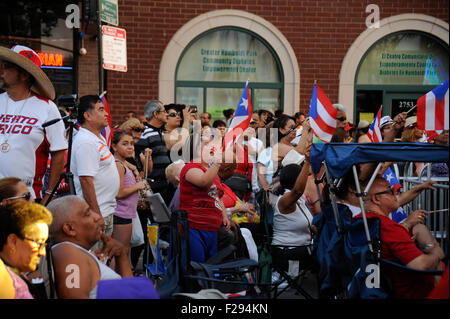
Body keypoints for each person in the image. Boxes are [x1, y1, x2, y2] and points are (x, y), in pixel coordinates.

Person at [0, 45, 67, 203]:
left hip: (26, 197)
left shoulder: (47, 107)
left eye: (7, 67)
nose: (1, 71)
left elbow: (59, 153)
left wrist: (50, 195)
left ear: (24, 75)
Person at [361, 177, 444, 299]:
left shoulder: (362, 219)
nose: (396, 193)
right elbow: (421, 265)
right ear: (376, 199)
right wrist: (436, 254)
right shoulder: (390, 228)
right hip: (413, 291)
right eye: (390, 190)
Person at [47, 196, 133, 299]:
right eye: (87, 214)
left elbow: (129, 291)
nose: (97, 217)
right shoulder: (68, 254)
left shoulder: (73, 253)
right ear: (69, 229)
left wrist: (121, 255)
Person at [71, 95, 120, 241]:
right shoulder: (86, 142)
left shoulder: (97, 137)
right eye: (101, 109)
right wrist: (96, 215)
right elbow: (86, 180)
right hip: (97, 214)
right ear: (87, 115)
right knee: (93, 259)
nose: (106, 114)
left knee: (102, 259)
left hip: (106, 210)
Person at [178, 133, 230, 263]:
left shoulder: (210, 169)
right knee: (198, 266)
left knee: (211, 266)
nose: (212, 147)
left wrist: (224, 216)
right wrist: (217, 163)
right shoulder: (190, 167)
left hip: (212, 227)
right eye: (206, 145)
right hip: (195, 226)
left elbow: (218, 196)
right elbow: (203, 182)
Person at [271, 146, 315, 274]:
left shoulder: (300, 200)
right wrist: (307, 162)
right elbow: (297, 190)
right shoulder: (285, 200)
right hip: (288, 252)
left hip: (301, 249)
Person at [0, 201, 52, 299]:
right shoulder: (3, 278)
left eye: (44, 244)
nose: (43, 253)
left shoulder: (16, 276)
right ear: (13, 241)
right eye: (38, 243)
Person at [111, 130, 146, 260]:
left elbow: (127, 164)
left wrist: (136, 170)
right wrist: (137, 186)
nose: (130, 147)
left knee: (126, 250)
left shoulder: (123, 163)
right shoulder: (119, 165)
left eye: (132, 143)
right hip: (121, 214)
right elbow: (119, 193)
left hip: (126, 213)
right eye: (125, 144)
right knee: (121, 252)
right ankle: (120, 278)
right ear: (114, 146)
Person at [134, 100, 172, 205]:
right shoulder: (144, 132)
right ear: (156, 114)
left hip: (163, 186)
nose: (167, 114)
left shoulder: (159, 131)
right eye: (164, 111)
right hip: (152, 188)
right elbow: (140, 163)